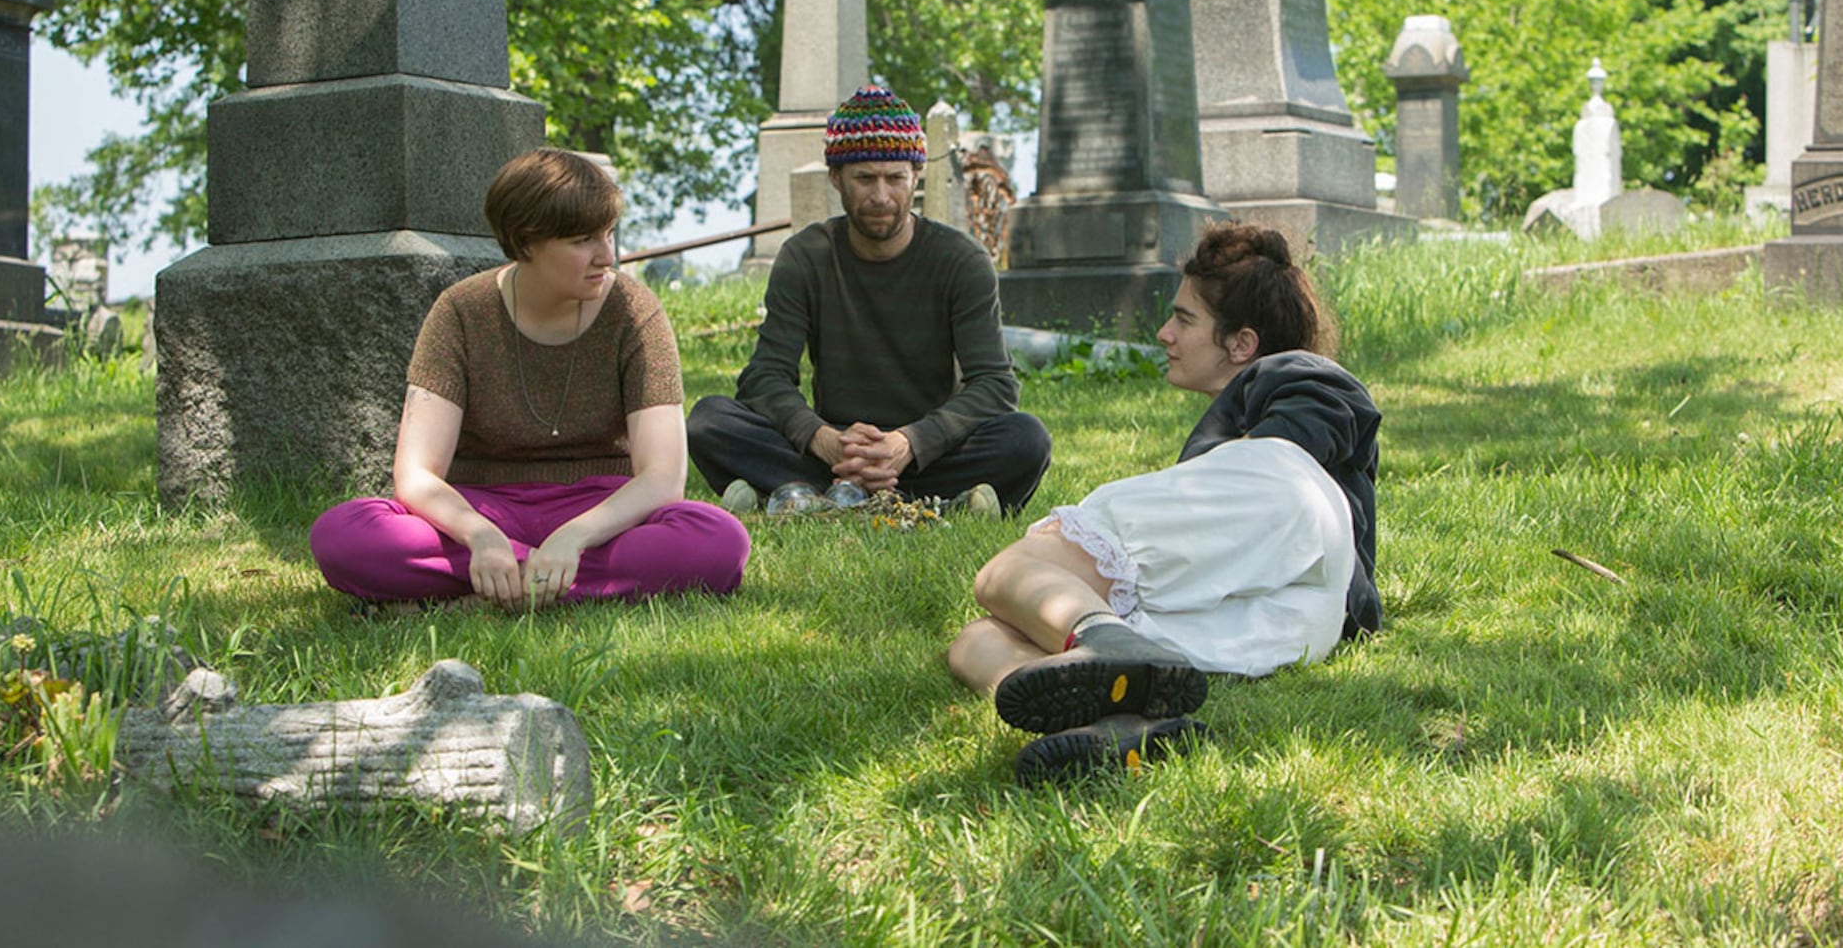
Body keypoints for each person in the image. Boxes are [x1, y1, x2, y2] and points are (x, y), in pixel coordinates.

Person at [947, 223, 1382, 784]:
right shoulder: (1253, 448)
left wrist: (1250, 460)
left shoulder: (1297, 377)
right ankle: (1115, 724)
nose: (1163, 333)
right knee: (976, 640)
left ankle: (1103, 641)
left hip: (1297, 548)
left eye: (1183, 318)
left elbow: (1312, 432)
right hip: (1280, 618)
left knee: (1009, 571)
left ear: (1242, 344)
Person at [310, 148, 750, 609]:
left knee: (719, 540)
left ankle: (501, 586)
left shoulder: (635, 311)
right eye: (583, 240)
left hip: (601, 513)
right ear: (525, 243)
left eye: (609, 234)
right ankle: (539, 579)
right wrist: (480, 536)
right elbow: (418, 474)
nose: (607, 255)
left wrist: (575, 537)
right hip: (480, 508)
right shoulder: (460, 311)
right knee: (344, 535)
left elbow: (662, 478)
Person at [687, 83, 1052, 515]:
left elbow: (994, 385)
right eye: (864, 178)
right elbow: (764, 378)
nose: (881, 196)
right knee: (709, 421)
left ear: (915, 177)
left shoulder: (962, 260)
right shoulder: (805, 256)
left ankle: (806, 497)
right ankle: (928, 505)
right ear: (836, 179)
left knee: (1026, 438)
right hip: (831, 448)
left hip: (927, 451)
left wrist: (909, 443)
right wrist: (823, 440)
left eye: (895, 178)